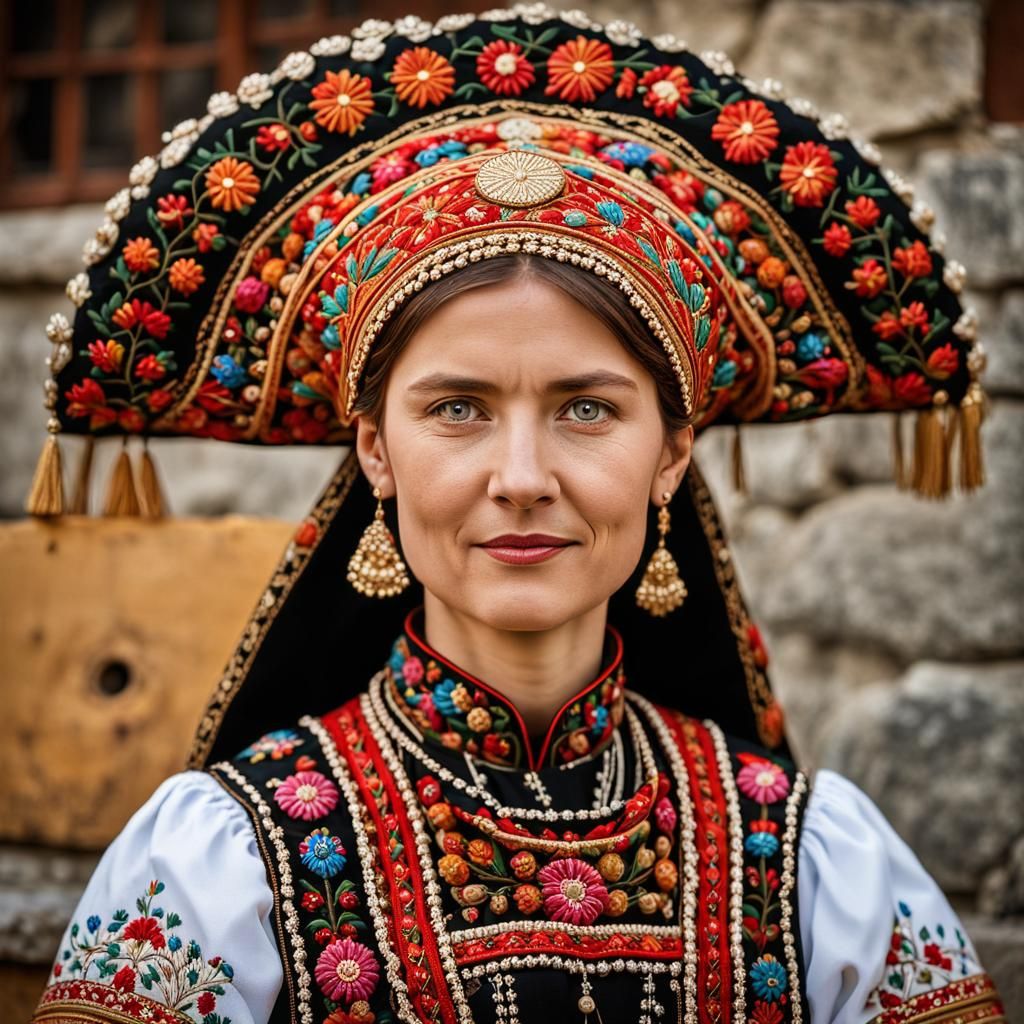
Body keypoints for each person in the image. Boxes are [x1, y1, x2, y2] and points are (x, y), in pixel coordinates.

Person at [28, 8, 1002, 1024]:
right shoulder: (221, 862)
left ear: (671, 451)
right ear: (374, 450)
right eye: (458, 410)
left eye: (587, 409)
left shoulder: (809, 860)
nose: (523, 476)